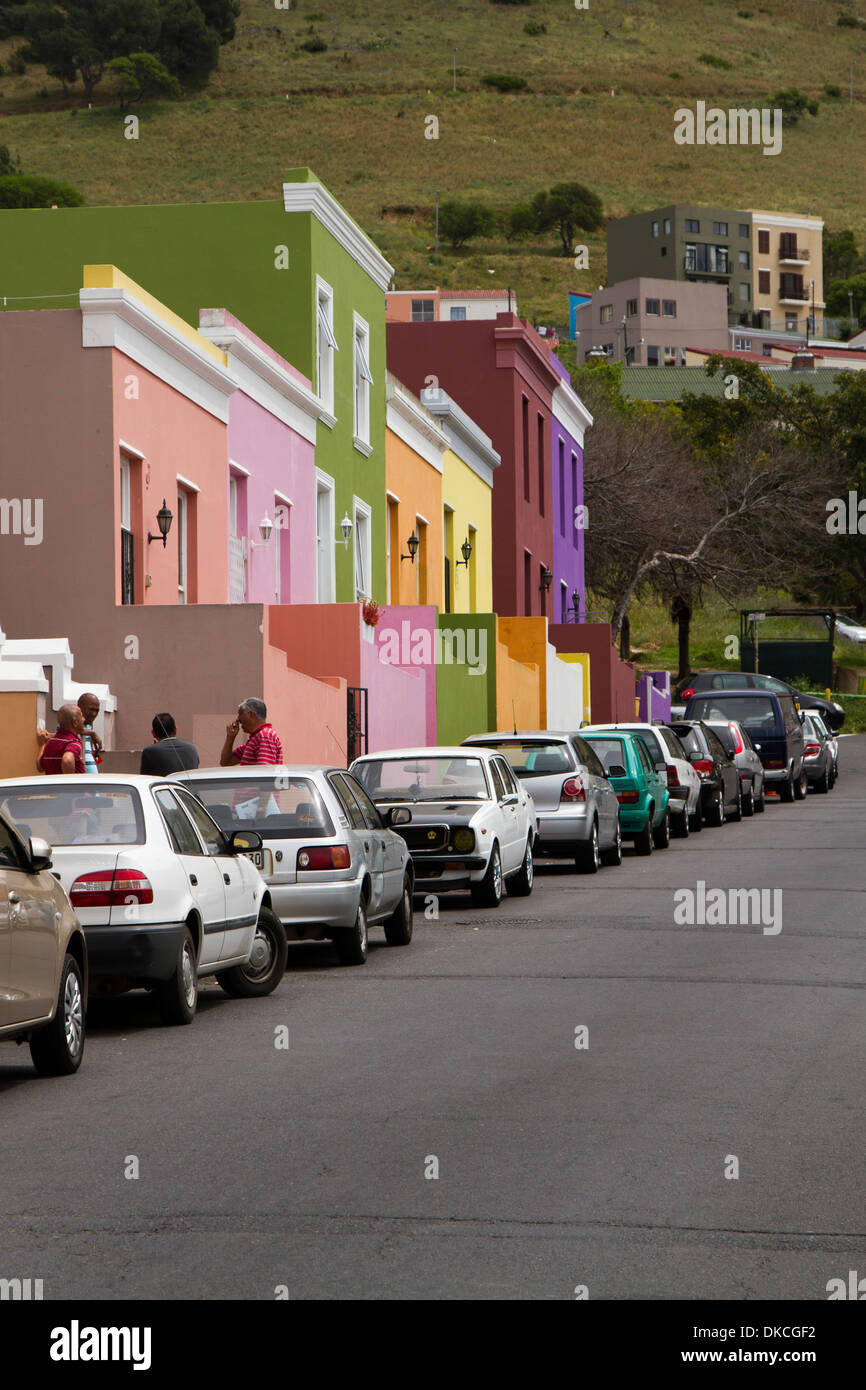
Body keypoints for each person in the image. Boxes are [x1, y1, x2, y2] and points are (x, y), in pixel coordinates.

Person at [220, 698, 283, 766]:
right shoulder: (255, 739)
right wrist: (230, 737)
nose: (238, 719)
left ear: (251, 714)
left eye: (241, 713)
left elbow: (264, 772)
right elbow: (225, 762)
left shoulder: (265, 736)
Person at [36, 704, 86, 775]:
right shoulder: (73, 742)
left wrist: (43, 744)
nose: (84, 719)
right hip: (71, 786)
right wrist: (68, 783)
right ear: (75, 722)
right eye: (81, 716)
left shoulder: (50, 742)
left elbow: (40, 766)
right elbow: (67, 760)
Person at [77, 692, 103, 774]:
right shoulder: (68, 720)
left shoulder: (87, 726)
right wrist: (93, 733)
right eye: (91, 709)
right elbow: (72, 729)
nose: (94, 714)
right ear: (80, 708)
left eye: (97, 710)